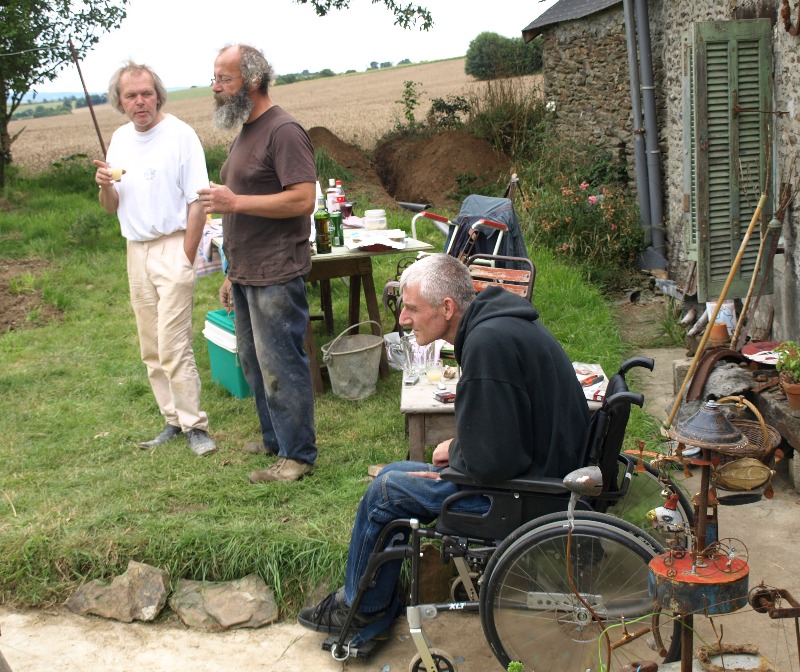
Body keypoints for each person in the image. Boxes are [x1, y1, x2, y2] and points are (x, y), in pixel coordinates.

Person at [297, 253, 591, 634]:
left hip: (526, 493)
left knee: (385, 491)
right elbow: (504, 426)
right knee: (392, 473)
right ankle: (375, 599)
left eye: (412, 308)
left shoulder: (488, 342)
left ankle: (362, 608)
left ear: (447, 308)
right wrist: (459, 445)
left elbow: (494, 460)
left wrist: (454, 451)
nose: (403, 319)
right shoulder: (497, 326)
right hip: (543, 468)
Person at [197, 44, 317, 483]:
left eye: (223, 80)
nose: (215, 88)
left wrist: (235, 200)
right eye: (215, 79)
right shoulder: (246, 130)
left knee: (280, 365)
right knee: (252, 362)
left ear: (250, 82)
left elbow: (304, 198)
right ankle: (275, 439)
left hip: (277, 271)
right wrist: (230, 271)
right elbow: (239, 207)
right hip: (247, 270)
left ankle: (298, 456)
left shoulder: (283, 130)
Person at [93, 61, 216, 457]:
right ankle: (172, 421)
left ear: (158, 95)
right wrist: (104, 185)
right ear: (121, 102)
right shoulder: (119, 139)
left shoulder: (180, 136)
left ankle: (196, 425)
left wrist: (186, 255)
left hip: (173, 245)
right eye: (131, 96)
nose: (140, 101)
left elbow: (199, 201)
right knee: (150, 345)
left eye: (146, 93)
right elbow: (111, 206)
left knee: (173, 343)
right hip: (136, 250)